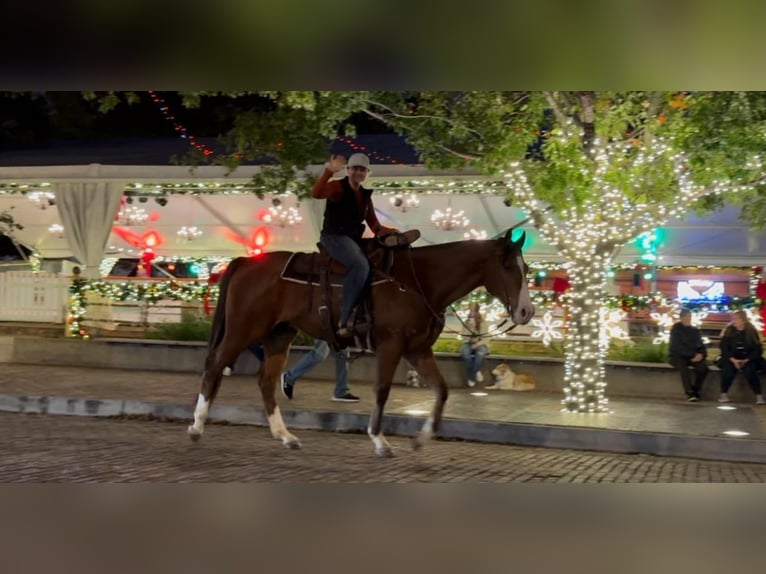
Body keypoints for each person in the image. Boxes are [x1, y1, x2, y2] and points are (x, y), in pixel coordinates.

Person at [311, 152, 416, 338]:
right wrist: (329, 171)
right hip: (334, 237)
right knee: (360, 265)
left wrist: (393, 232)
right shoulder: (338, 187)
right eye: (355, 169)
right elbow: (316, 193)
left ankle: (367, 310)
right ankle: (344, 319)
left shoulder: (365, 196)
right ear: (348, 170)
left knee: (381, 257)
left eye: (362, 169)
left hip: (353, 239)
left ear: (367, 173)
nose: (358, 172)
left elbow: (375, 226)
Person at [280, 338, 359, 402]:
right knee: (320, 353)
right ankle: (289, 377)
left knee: (342, 352)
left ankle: (341, 391)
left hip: (334, 323)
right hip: (323, 322)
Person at [718, 309, 765, 405]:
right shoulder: (729, 330)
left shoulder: (751, 331)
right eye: (733, 319)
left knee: (750, 371)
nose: (734, 321)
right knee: (728, 371)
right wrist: (733, 359)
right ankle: (724, 394)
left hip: (748, 358)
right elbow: (724, 347)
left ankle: (759, 396)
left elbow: (757, 349)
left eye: (736, 319)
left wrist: (747, 359)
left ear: (743, 320)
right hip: (732, 358)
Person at [668, 308, 708, 402]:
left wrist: (701, 354)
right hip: (679, 356)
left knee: (703, 369)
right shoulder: (676, 329)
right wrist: (693, 355)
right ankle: (689, 392)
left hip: (694, 356)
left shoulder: (695, 331)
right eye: (686, 316)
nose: (688, 318)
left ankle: (696, 389)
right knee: (684, 369)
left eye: (689, 316)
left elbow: (701, 345)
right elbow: (676, 347)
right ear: (681, 318)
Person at [459, 302, 489, 388]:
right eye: (470, 310)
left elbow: (486, 338)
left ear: (477, 312)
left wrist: (478, 343)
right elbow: (464, 337)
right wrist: (470, 328)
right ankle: (476, 370)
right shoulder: (466, 322)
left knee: (480, 354)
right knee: (465, 353)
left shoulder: (483, 322)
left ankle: (471, 377)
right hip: (468, 343)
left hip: (481, 343)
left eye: (473, 311)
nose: (470, 312)